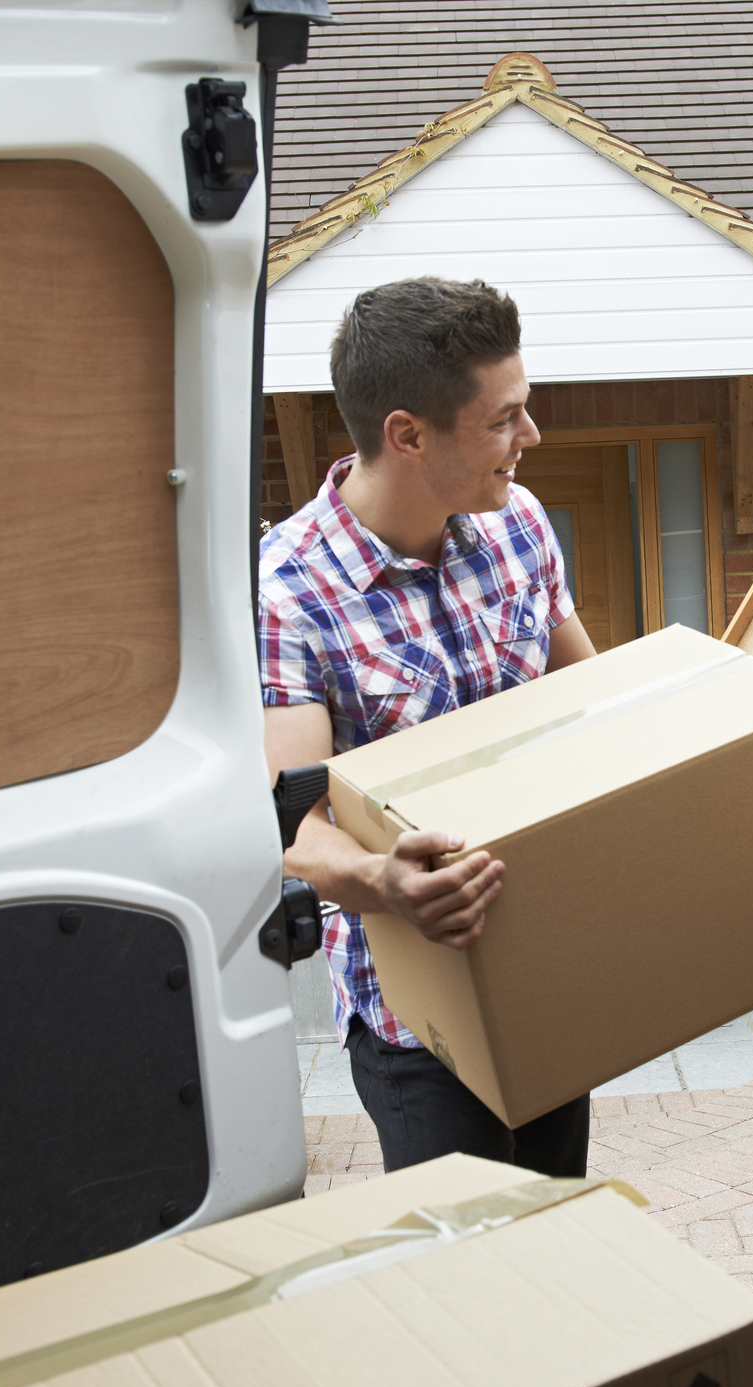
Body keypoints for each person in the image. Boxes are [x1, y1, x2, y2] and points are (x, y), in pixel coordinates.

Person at [258, 277, 597, 1177]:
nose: (531, 436)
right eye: (504, 419)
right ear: (408, 435)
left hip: (545, 968)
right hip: (416, 1015)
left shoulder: (521, 526)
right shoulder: (287, 593)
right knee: (470, 1258)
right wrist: (382, 879)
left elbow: (589, 702)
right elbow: (292, 827)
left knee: (560, 1232)